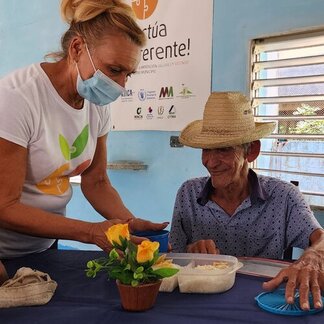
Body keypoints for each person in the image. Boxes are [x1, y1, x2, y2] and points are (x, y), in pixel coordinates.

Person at [0, 0, 168, 259]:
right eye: (114, 70)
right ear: (77, 48)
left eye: (128, 74)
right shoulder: (16, 98)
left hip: (44, 247)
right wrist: (90, 232)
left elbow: (97, 181)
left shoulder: (96, 104)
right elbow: (5, 206)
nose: (121, 85)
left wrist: (127, 222)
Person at [170, 91, 324, 310]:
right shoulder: (188, 193)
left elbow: (321, 238)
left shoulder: (283, 196)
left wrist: (314, 257)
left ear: (251, 150)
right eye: (206, 149)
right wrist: (190, 251)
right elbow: (172, 259)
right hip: (198, 302)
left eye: (223, 149)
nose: (210, 162)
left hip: (263, 302)